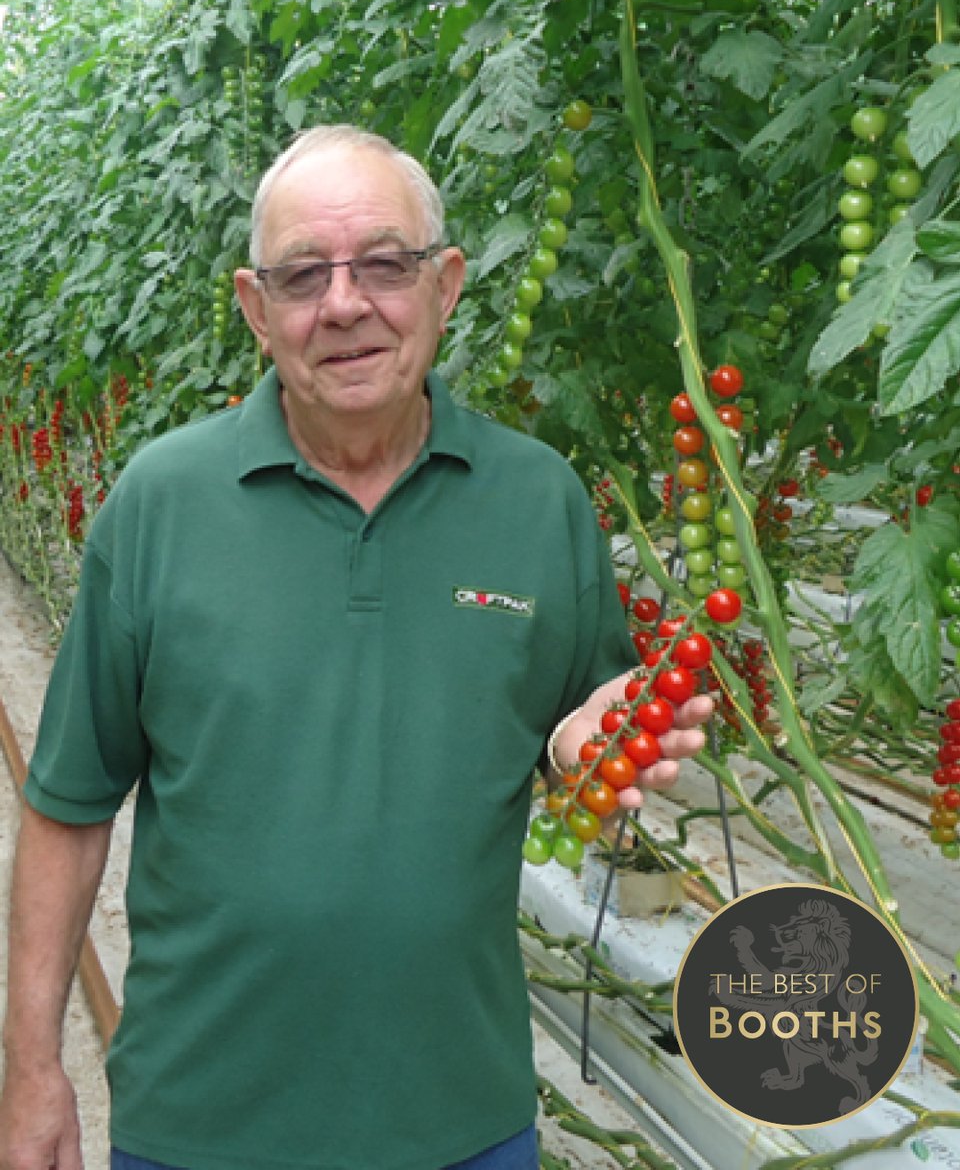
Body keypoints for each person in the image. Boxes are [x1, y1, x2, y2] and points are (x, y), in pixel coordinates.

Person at [0, 125, 712, 1170]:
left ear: (447, 285)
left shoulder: (540, 504)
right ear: (255, 307)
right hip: (199, 1128)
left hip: (462, 1126)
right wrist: (30, 1075)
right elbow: (67, 805)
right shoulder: (159, 504)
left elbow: (583, 745)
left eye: (385, 263)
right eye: (302, 275)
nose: (344, 304)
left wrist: (587, 756)